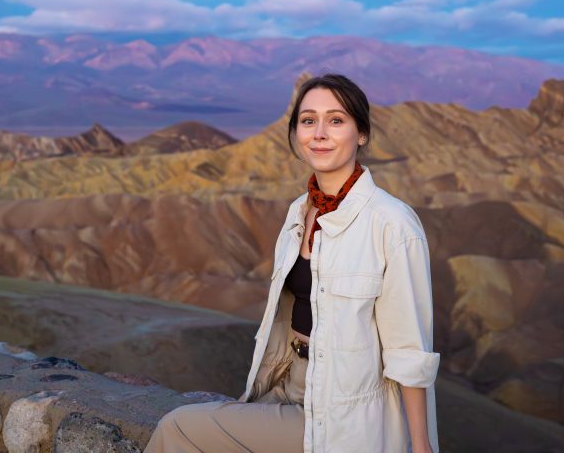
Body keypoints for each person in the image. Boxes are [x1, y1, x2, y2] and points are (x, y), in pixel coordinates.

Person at [146, 73, 439, 452]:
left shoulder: (392, 224)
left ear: (362, 134)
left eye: (336, 120)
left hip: (344, 411)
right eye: (308, 120)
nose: (319, 133)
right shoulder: (299, 214)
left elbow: (409, 350)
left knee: (178, 428)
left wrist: (420, 444)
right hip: (288, 384)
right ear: (295, 133)